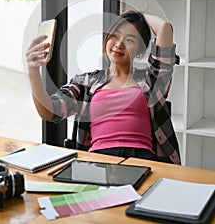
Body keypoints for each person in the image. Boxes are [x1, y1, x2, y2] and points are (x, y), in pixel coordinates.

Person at [26, 11, 181, 164]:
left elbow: (164, 28)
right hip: (98, 161)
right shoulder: (85, 82)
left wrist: (139, 15)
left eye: (130, 39)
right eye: (115, 35)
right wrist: (33, 70)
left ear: (140, 49)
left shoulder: (150, 81)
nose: (119, 44)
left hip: (140, 160)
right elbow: (49, 111)